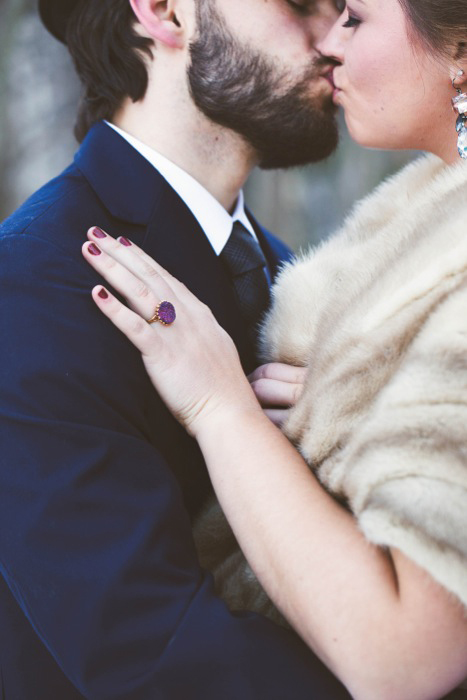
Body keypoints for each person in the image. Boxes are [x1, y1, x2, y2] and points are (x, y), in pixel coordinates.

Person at [81, 0, 467, 698]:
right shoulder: (399, 246)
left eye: (353, 17)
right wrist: (352, 408)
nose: (330, 44)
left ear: (460, 49)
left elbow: (407, 660)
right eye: (305, 8)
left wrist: (221, 406)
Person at [0, 0, 357, 697]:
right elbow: (155, 656)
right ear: (164, 12)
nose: (338, 29)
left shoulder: (291, 276)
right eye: (301, 3)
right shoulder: (34, 285)